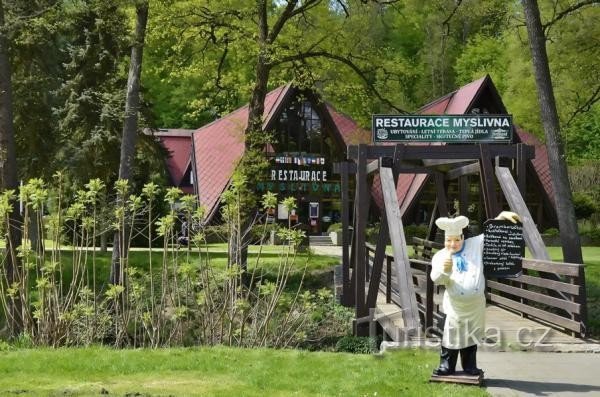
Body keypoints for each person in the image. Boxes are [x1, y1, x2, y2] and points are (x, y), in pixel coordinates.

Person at [431, 211, 520, 376]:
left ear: (462, 238)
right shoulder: (440, 256)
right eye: (448, 240)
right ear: (444, 240)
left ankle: (469, 366)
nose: (452, 244)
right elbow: (436, 279)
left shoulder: (474, 245)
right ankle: (446, 366)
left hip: (476, 305)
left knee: (471, 336)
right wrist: (445, 270)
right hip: (455, 306)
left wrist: (499, 218)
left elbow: (489, 235)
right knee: (452, 335)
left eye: (456, 240)